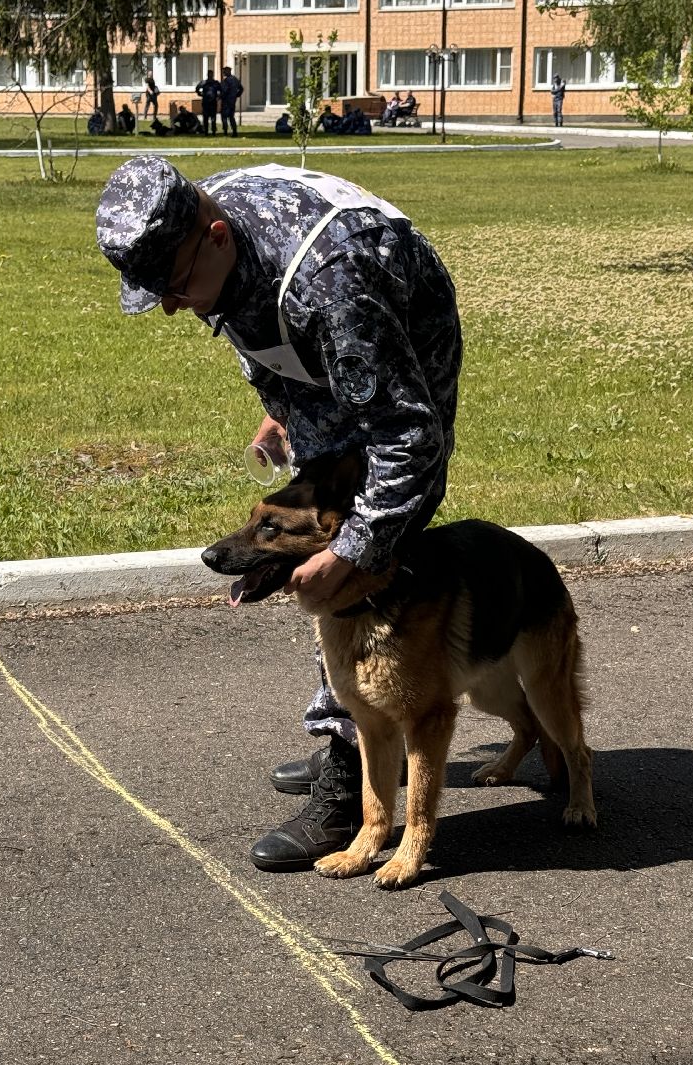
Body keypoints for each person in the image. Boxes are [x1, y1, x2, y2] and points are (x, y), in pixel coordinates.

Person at [95, 157, 462, 872]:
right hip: (332, 337)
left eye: (172, 286)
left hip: (399, 341)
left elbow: (407, 440)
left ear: (217, 236)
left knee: (352, 565)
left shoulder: (333, 286)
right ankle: (360, 733)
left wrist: (355, 548)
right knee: (316, 544)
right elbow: (255, 326)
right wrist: (281, 405)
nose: (171, 306)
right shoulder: (215, 247)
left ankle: (353, 771)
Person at [195, 69, 221, 135]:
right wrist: (200, 94)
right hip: (206, 102)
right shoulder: (204, 82)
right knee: (205, 118)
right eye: (209, 74)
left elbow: (221, 90)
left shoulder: (216, 83)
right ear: (207, 75)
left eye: (211, 74)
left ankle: (213, 131)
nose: (210, 75)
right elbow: (197, 88)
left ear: (213, 75)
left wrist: (218, 97)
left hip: (213, 102)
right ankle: (206, 131)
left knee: (213, 118)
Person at [219, 66, 243, 136]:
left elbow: (224, 91)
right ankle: (234, 131)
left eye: (224, 71)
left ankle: (225, 132)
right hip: (232, 101)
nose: (223, 73)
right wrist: (236, 95)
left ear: (228, 71)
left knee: (224, 117)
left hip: (226, 101)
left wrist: (220, 97)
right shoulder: (235, 79)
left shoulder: (226, 81)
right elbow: (241, 89)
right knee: (231, 117)